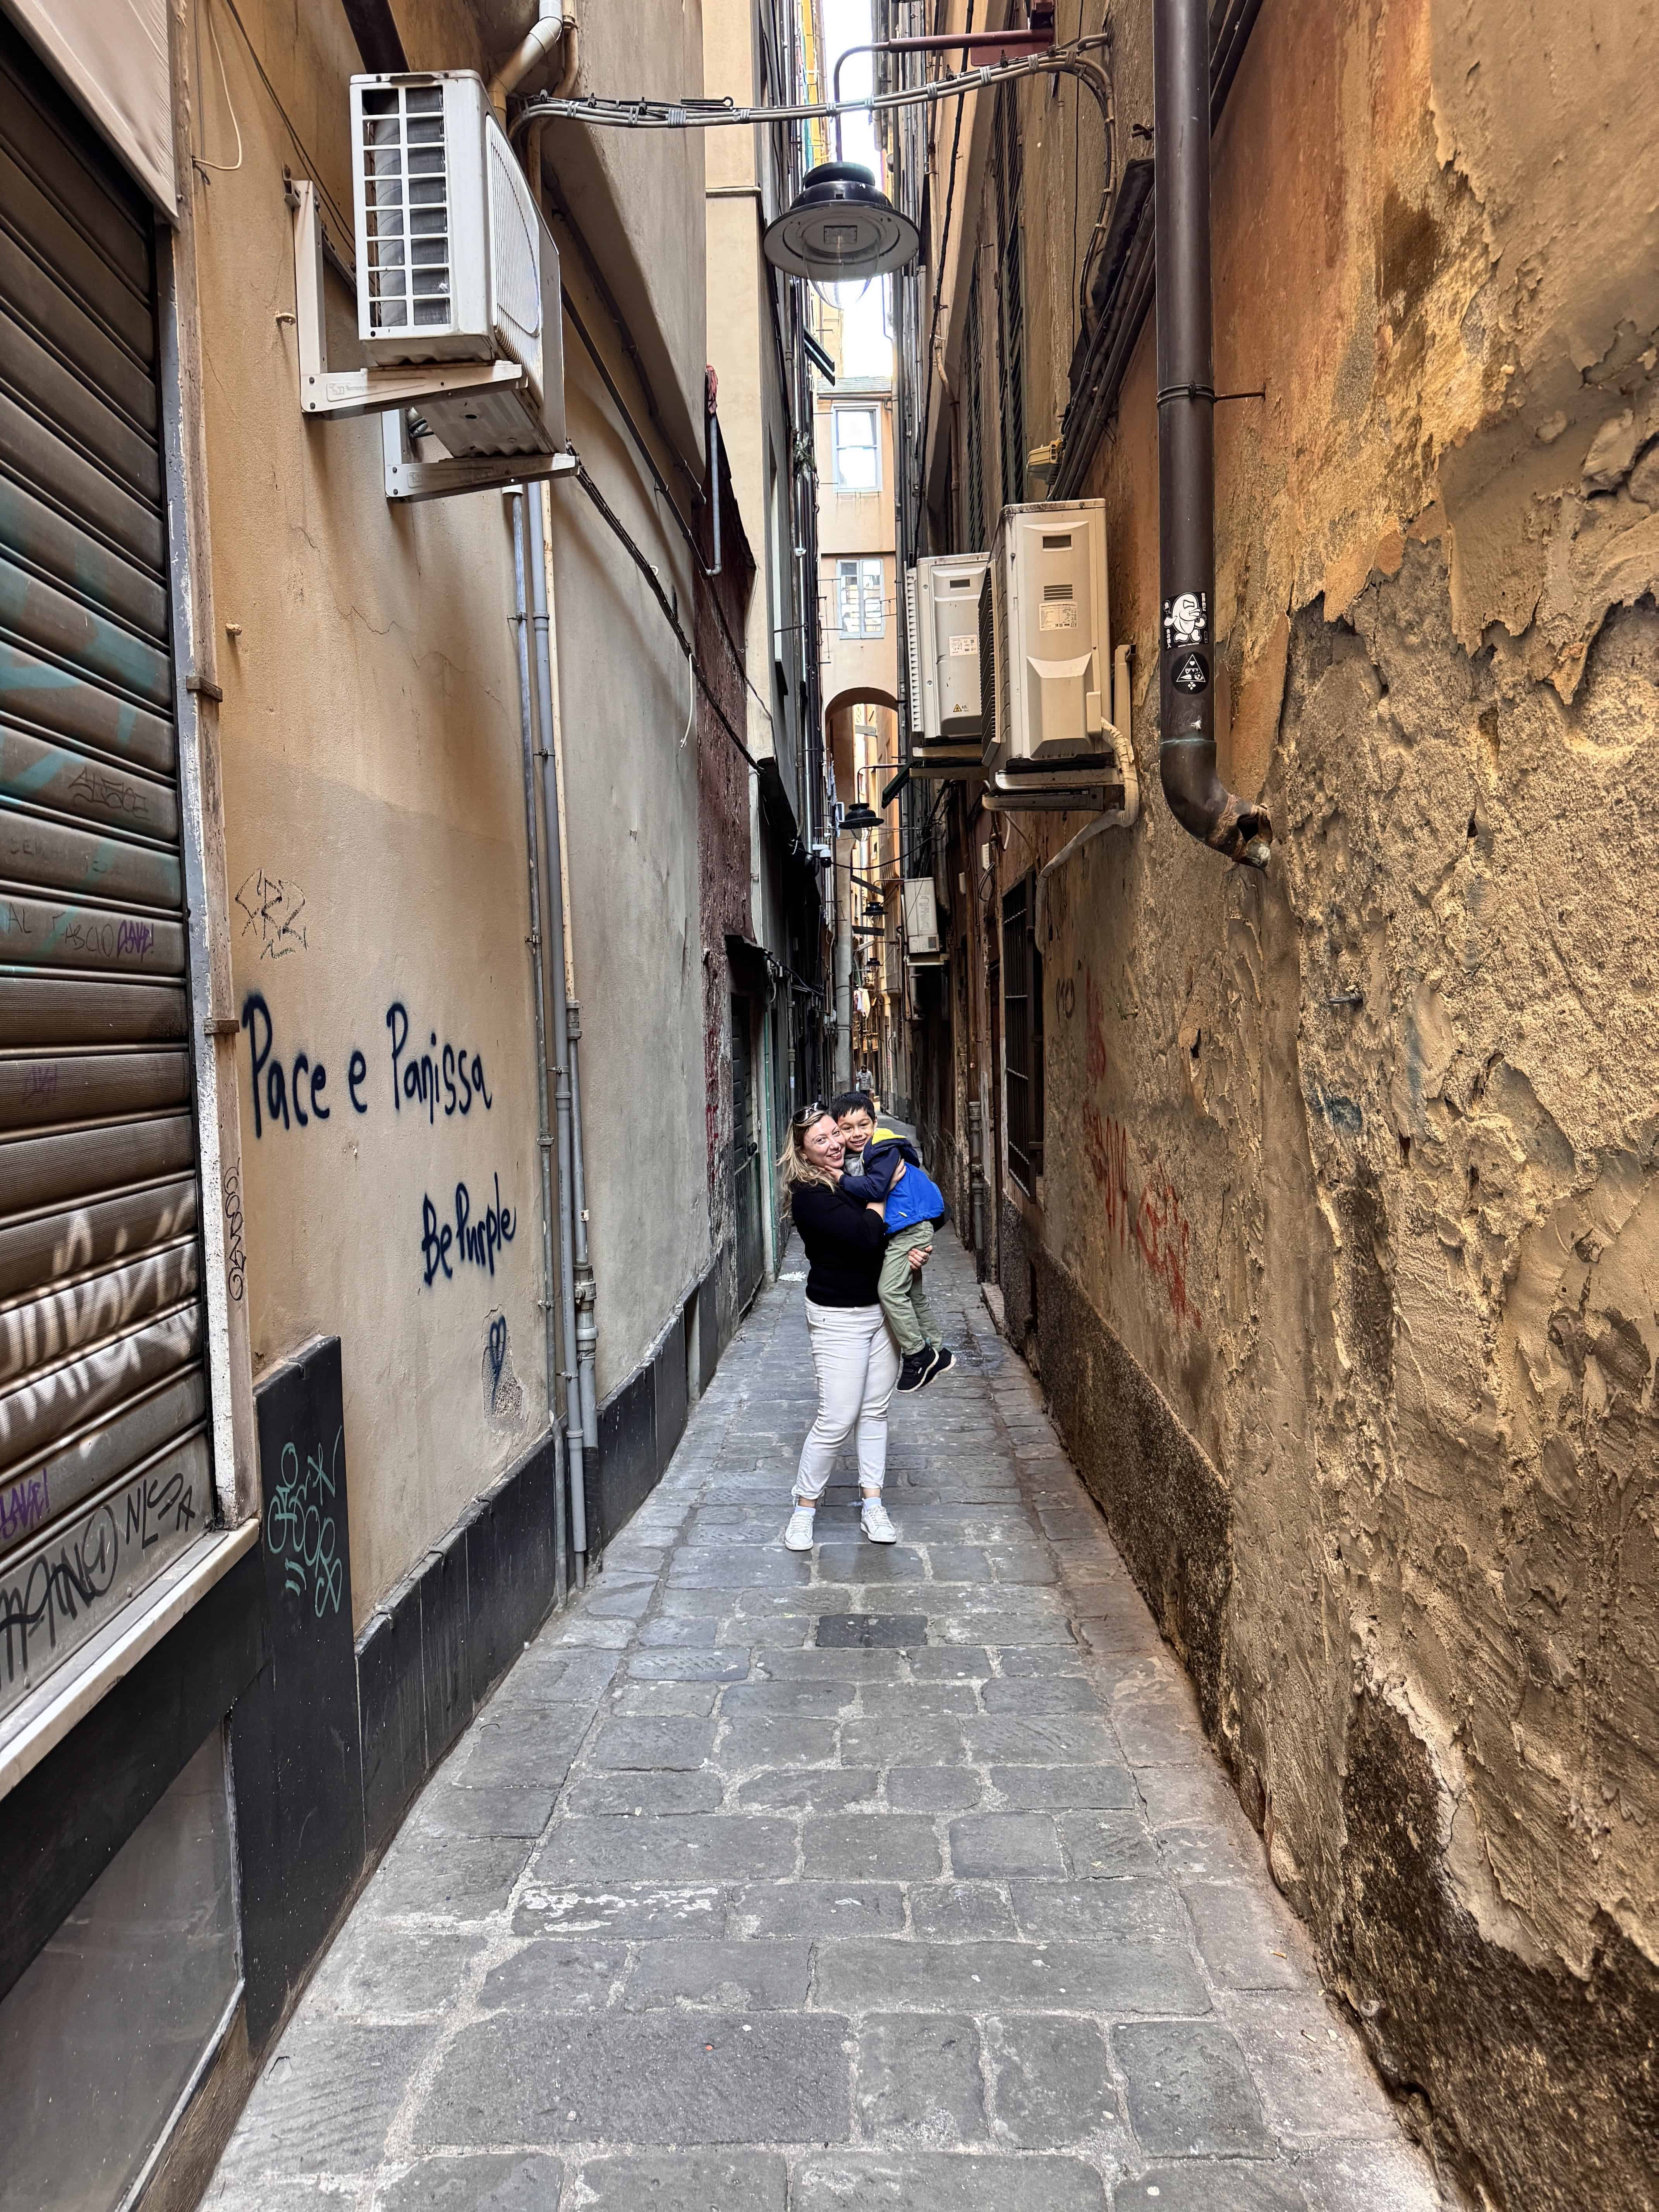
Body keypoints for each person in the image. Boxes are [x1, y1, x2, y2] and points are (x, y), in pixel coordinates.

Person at [775, 1105, 929, 1551]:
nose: (834, 1143)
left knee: (874, 1412)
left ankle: (873, 1503)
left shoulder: (860, 1172)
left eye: (835, 1133)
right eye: (820, 1141)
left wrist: (912, 1254)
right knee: (837, 1417)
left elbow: (892, 1235)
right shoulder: (810, 1195)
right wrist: (880, 1197)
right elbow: (865, 1237)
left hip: (880, 1312)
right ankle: (804, 1507)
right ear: (803, 1154)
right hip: (837, 1316)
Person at [833, 1091, 954, 1393]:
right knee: (912, 1293)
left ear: (875, 1123)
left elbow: (875, 1187)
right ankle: (938, 1351)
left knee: (889, 1291)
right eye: (848, 1129)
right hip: (905, 1229)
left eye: (864, 1125)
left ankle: (917, 1354)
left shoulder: (883, 1148)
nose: (857, 1134)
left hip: (910, 1229)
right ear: (838, 1130)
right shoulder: (856, 1157)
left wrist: (839, 1179)